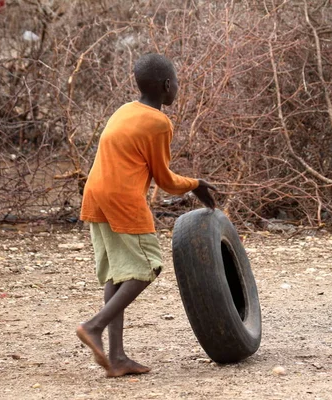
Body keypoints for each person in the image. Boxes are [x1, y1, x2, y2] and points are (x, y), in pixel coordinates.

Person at [77, 53, 217, 377]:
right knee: (146, 267)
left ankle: (116, 358)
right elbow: (165, 181)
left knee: (118, 272)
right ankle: (93, 326)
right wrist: (196, 184)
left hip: (95, 194)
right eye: (177, 82)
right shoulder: (158, 122)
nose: (178, 87)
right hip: (122, 199)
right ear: (168, 86)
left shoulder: (124, 110)